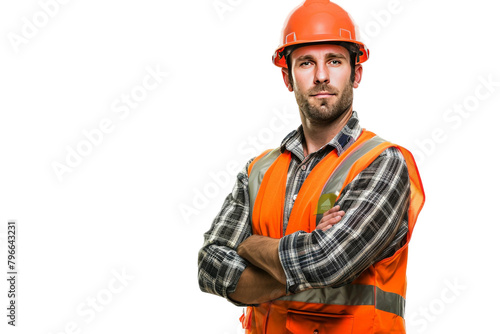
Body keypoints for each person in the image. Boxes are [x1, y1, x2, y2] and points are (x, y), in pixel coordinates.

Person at [198, 0, 425, 332]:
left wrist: (249, 245)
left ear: (356, 73)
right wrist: (302, 258)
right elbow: (210, 266)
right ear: (288, 78)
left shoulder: (382, 163)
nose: (321, 76)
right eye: (306, 63)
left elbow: (327, 262)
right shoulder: (258, 171)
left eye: (334, 61)